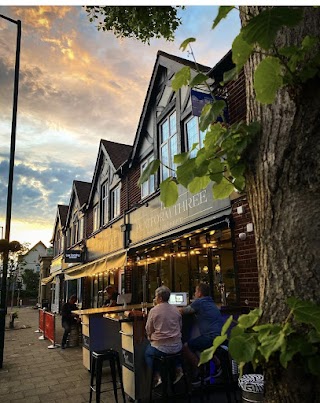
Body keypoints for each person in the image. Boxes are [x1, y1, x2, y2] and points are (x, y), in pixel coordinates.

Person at [180, 283, 223, 379]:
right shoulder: (211, 302)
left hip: (210, 337)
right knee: (202, 346)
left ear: (199, 293)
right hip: (220, 337)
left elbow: (183, 311)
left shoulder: (199, 302)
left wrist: (170, 309)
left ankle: (200, 370)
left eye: (195, 291)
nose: (195, 293)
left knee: (186, 346)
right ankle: (218, 365)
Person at [145, 286, 184, 387]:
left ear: (160, 298)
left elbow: (148, 329)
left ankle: (158, 375)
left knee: (148, 353)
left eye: (156, 296)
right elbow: (180, 327)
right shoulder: (176, 309)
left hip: (161, 347)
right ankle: (178, 369)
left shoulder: (154, 311)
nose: (155, 298)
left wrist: (150, 337)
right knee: (173, 352)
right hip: (177, 346)